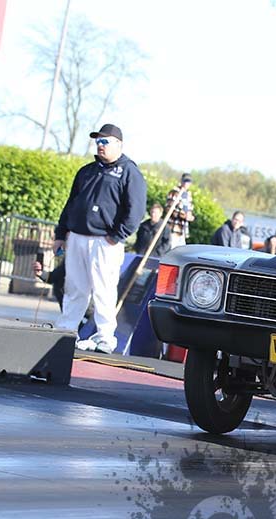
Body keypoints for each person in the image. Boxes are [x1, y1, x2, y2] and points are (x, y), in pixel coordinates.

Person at [53, 123, 147, 353]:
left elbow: (135, 210)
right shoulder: (87, 171)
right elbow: (71, 203)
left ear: (118, 144)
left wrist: (116, 236)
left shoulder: (129, 172)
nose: (100, 145)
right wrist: (61, 234)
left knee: (103, 289)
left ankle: (105, 336)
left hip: (104, 240)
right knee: (74, 287)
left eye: (105, 141)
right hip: (78, 236)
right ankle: (67, 329)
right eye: (98, 141)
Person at [165, 173, 195, 249]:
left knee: (181, 250)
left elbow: (190, 209)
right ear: (181, 181)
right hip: (173, 228)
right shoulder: (174, 192)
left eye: (188, 182)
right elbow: (169, 209)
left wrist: (191, 217)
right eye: (185, 181)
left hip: (183, 230)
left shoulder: (188, 195)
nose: (186, 184)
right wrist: (182, 215)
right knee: (172, 249)